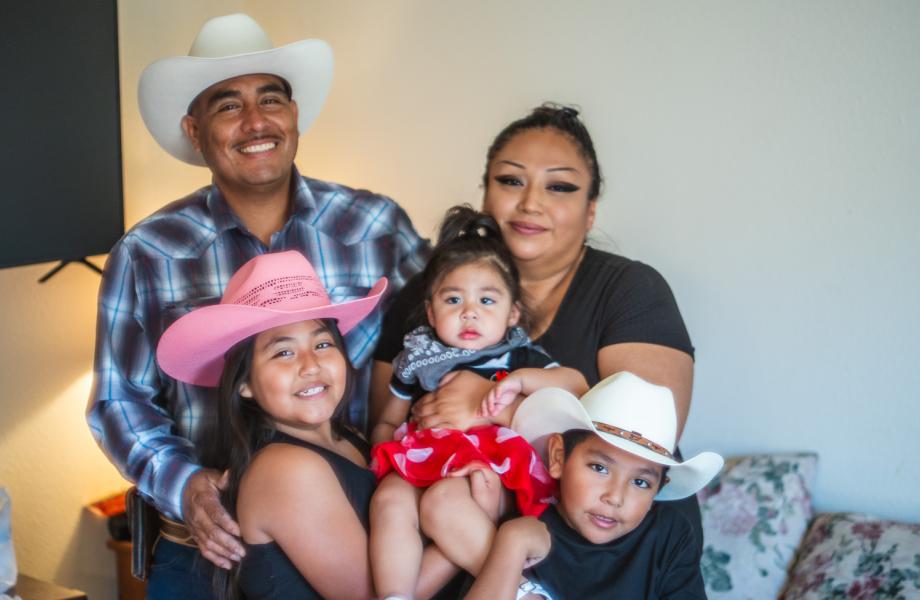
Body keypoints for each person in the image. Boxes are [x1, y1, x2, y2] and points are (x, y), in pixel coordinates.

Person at [86, 13, 428, 599]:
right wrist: (186, 486)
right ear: (194, 132)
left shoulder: (375, 226)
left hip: (356, 529)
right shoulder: (147, 251)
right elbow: (119, 401)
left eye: (270, 98)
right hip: (204, 553)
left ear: (294, 116)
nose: (255, 122)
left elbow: (435, 345)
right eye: (227, 106)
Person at [372, 103, 702, 543]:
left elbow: (638, 448)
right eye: (510, 181)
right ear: (485, 196)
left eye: (560, 187)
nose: (530, 203)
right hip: (454, 522)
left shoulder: (632, 290)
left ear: (590, 211)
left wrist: (490, 404)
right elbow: (385, 420)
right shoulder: (426, 293)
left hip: (611, 542)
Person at [368, 206, 587, 599]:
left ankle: (520, 589)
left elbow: (577, 386)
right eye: (453, 300)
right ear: (431, 313)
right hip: (422, 460)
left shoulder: (518, 356)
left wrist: (520, 381)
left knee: (446, 501)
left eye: (487, 301)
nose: (469, 312)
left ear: (513, 312)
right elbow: (388, 420)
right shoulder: (416, 359)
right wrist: (380, 458)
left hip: (491, 468)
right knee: (389, 500)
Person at [464, 372, 724, 599]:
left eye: (641, 482)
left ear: (659, 488)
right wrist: (512, 543)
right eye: (599, 468)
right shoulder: (523, 525)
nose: (615, 497)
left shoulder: (669, 534)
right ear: (558, 456)